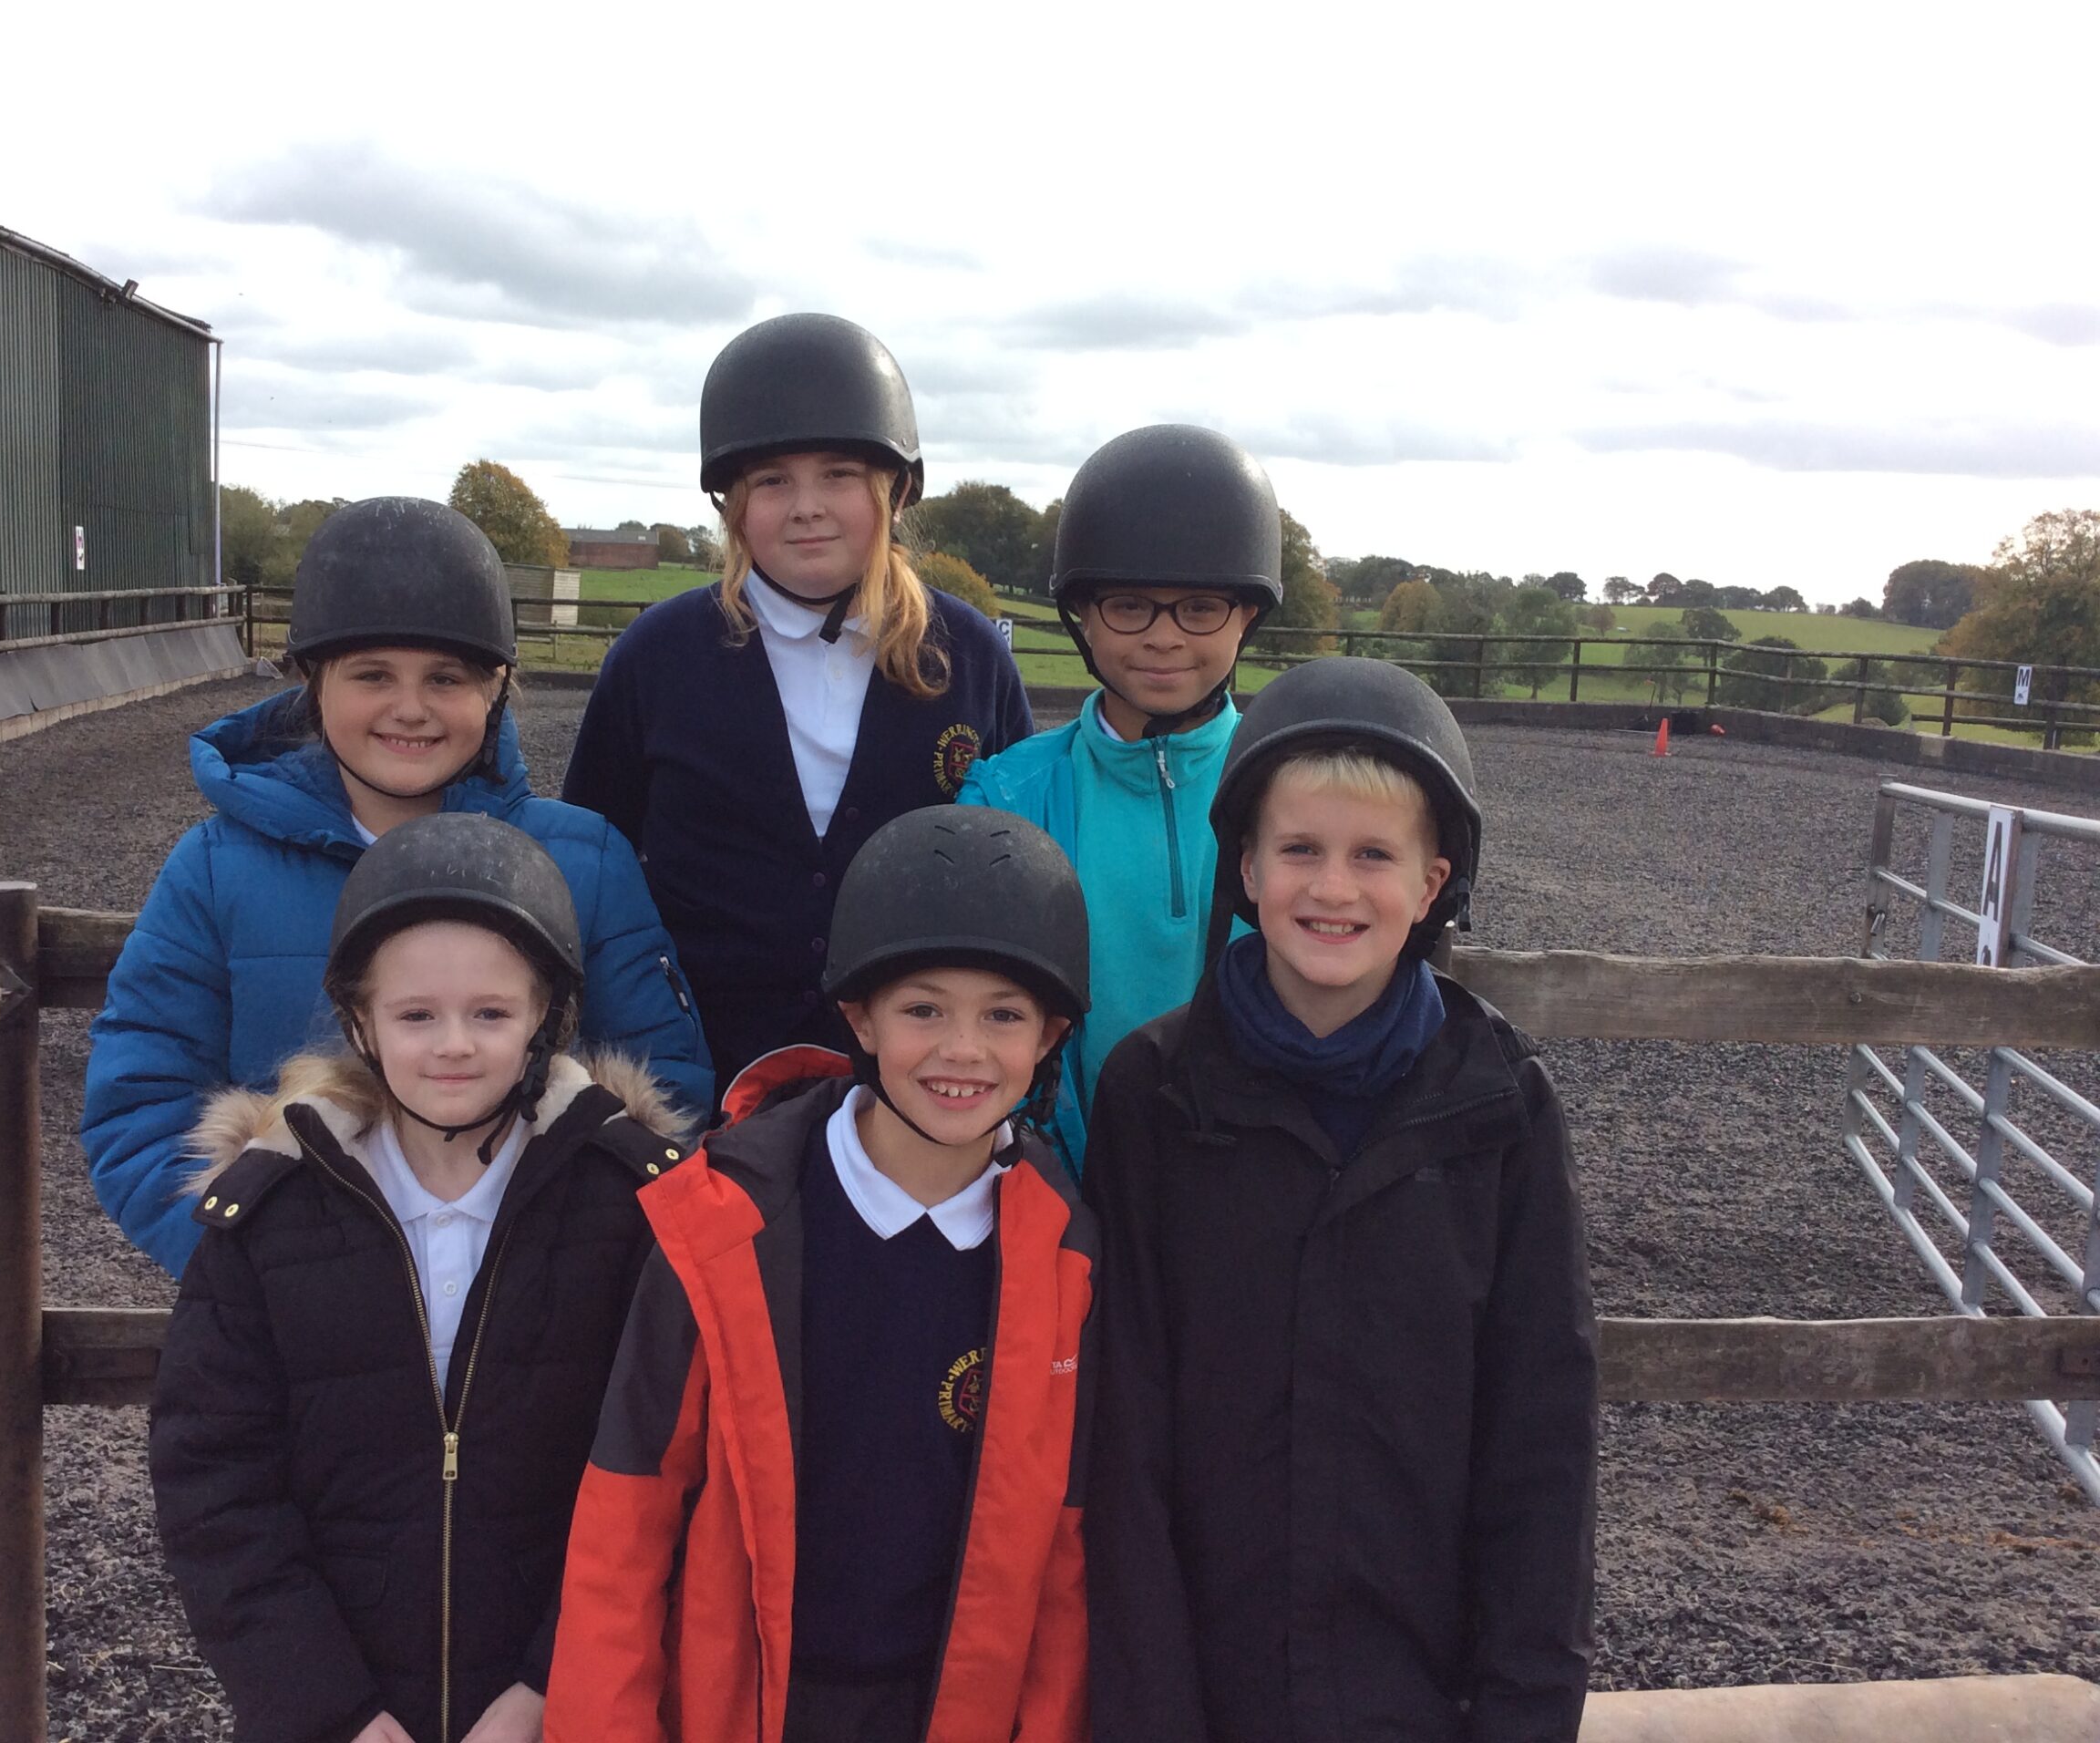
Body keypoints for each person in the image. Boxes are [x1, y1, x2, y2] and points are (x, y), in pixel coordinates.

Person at [1082, 657, 1598, 1743]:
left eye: (1374, 855)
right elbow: (1122, 1431)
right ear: (1248, 868)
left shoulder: (1501, 1106)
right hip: (1206, 1681)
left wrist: (1521, 1712)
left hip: (1414, 1691)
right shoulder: (1155, 1094)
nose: (1331, 888)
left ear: (1431, 883)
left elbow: (1539, 1440)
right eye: (1300, 850)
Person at [543, 806, 1096, 1743]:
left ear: (1047, 1036)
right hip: (746, 1706)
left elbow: (1064, 1561)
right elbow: (626, 1518)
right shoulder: (720, 1226)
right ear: (859, 1017)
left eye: (1001, 1015)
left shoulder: (1069, 1258)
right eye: (923, 1008)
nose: (962, 1050)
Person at [149, 812, 693, 1743]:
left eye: (490, 1012)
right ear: (360, 1020)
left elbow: (667, 1464)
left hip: (562, 1701)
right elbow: (216, 1483)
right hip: (341, 1707)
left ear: (545, 1020)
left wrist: (547, 1686)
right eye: (416, 1015)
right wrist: (332, 1709)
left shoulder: (628, 1207)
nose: (453, 1044)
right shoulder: (268, 1214)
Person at [84, 495, 712, 1277]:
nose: (409, 709)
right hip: (301, 1322)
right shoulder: (215, 870)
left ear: (495, 688)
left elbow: (666, 1090)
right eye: (373, 675)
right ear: (315, 684)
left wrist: (566, 1271)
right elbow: (139, 1108)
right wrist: (262, 1270)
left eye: (445, 678)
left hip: (535, 1318)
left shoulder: (586, 861)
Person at [561, 313, 1034, 1088]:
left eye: (839, 476)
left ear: (894, 492)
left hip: (908, 1086)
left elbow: (1011, 867)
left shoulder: (970, 655)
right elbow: (595, 861)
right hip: (696, 1071)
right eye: (773, 480)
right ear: (733, 505)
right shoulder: (656, 655)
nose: (807, 505)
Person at [959, 424, 1281, 1175]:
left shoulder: (1294, 789)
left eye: (1199, 608)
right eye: (1130, 606)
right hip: (1056, 1182)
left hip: (1249, 1183)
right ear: (1082, 614)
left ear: (1248, 616)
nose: (1163, 637)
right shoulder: (1004, 796)